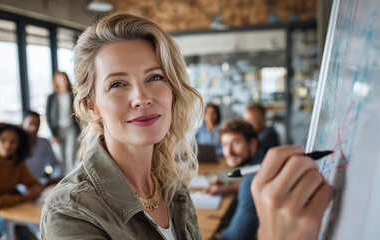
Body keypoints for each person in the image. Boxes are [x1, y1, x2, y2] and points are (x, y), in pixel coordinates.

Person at [40, 12, 333, 240]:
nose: (141, 98)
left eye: (155, 77)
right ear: (91, 106)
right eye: (117, 84)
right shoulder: (70, 213)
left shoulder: (171, 186)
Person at [211, 119, 265, 240]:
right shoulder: (261, 162)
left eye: (236, 142)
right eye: (225, 144)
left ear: (253, 143)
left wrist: (219, 236)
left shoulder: (251, 178)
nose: (229, 151)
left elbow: (239, 235)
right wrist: (228, 189)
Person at [46, 71, 80, 173]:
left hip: (71, 128)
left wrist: (80, 132)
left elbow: (79, 114)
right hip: (58, 130)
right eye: (60, 79)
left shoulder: (73, 95)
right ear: (56, 81)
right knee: (61, 156)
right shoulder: (52, 97)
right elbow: (48, 116)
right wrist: (52, 134)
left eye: (65, 78)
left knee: (71, 154)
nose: (63, 81)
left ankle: (71, 175)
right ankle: (64, 176)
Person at [22, 110, 64, 186]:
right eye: (31, 124)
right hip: (24, 187)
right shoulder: (16, 145)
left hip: (42, 184)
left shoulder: (44, 143)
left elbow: (56, 165)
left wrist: (55, 177)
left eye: (37, 124)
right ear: (23, 124)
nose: (34, 128)